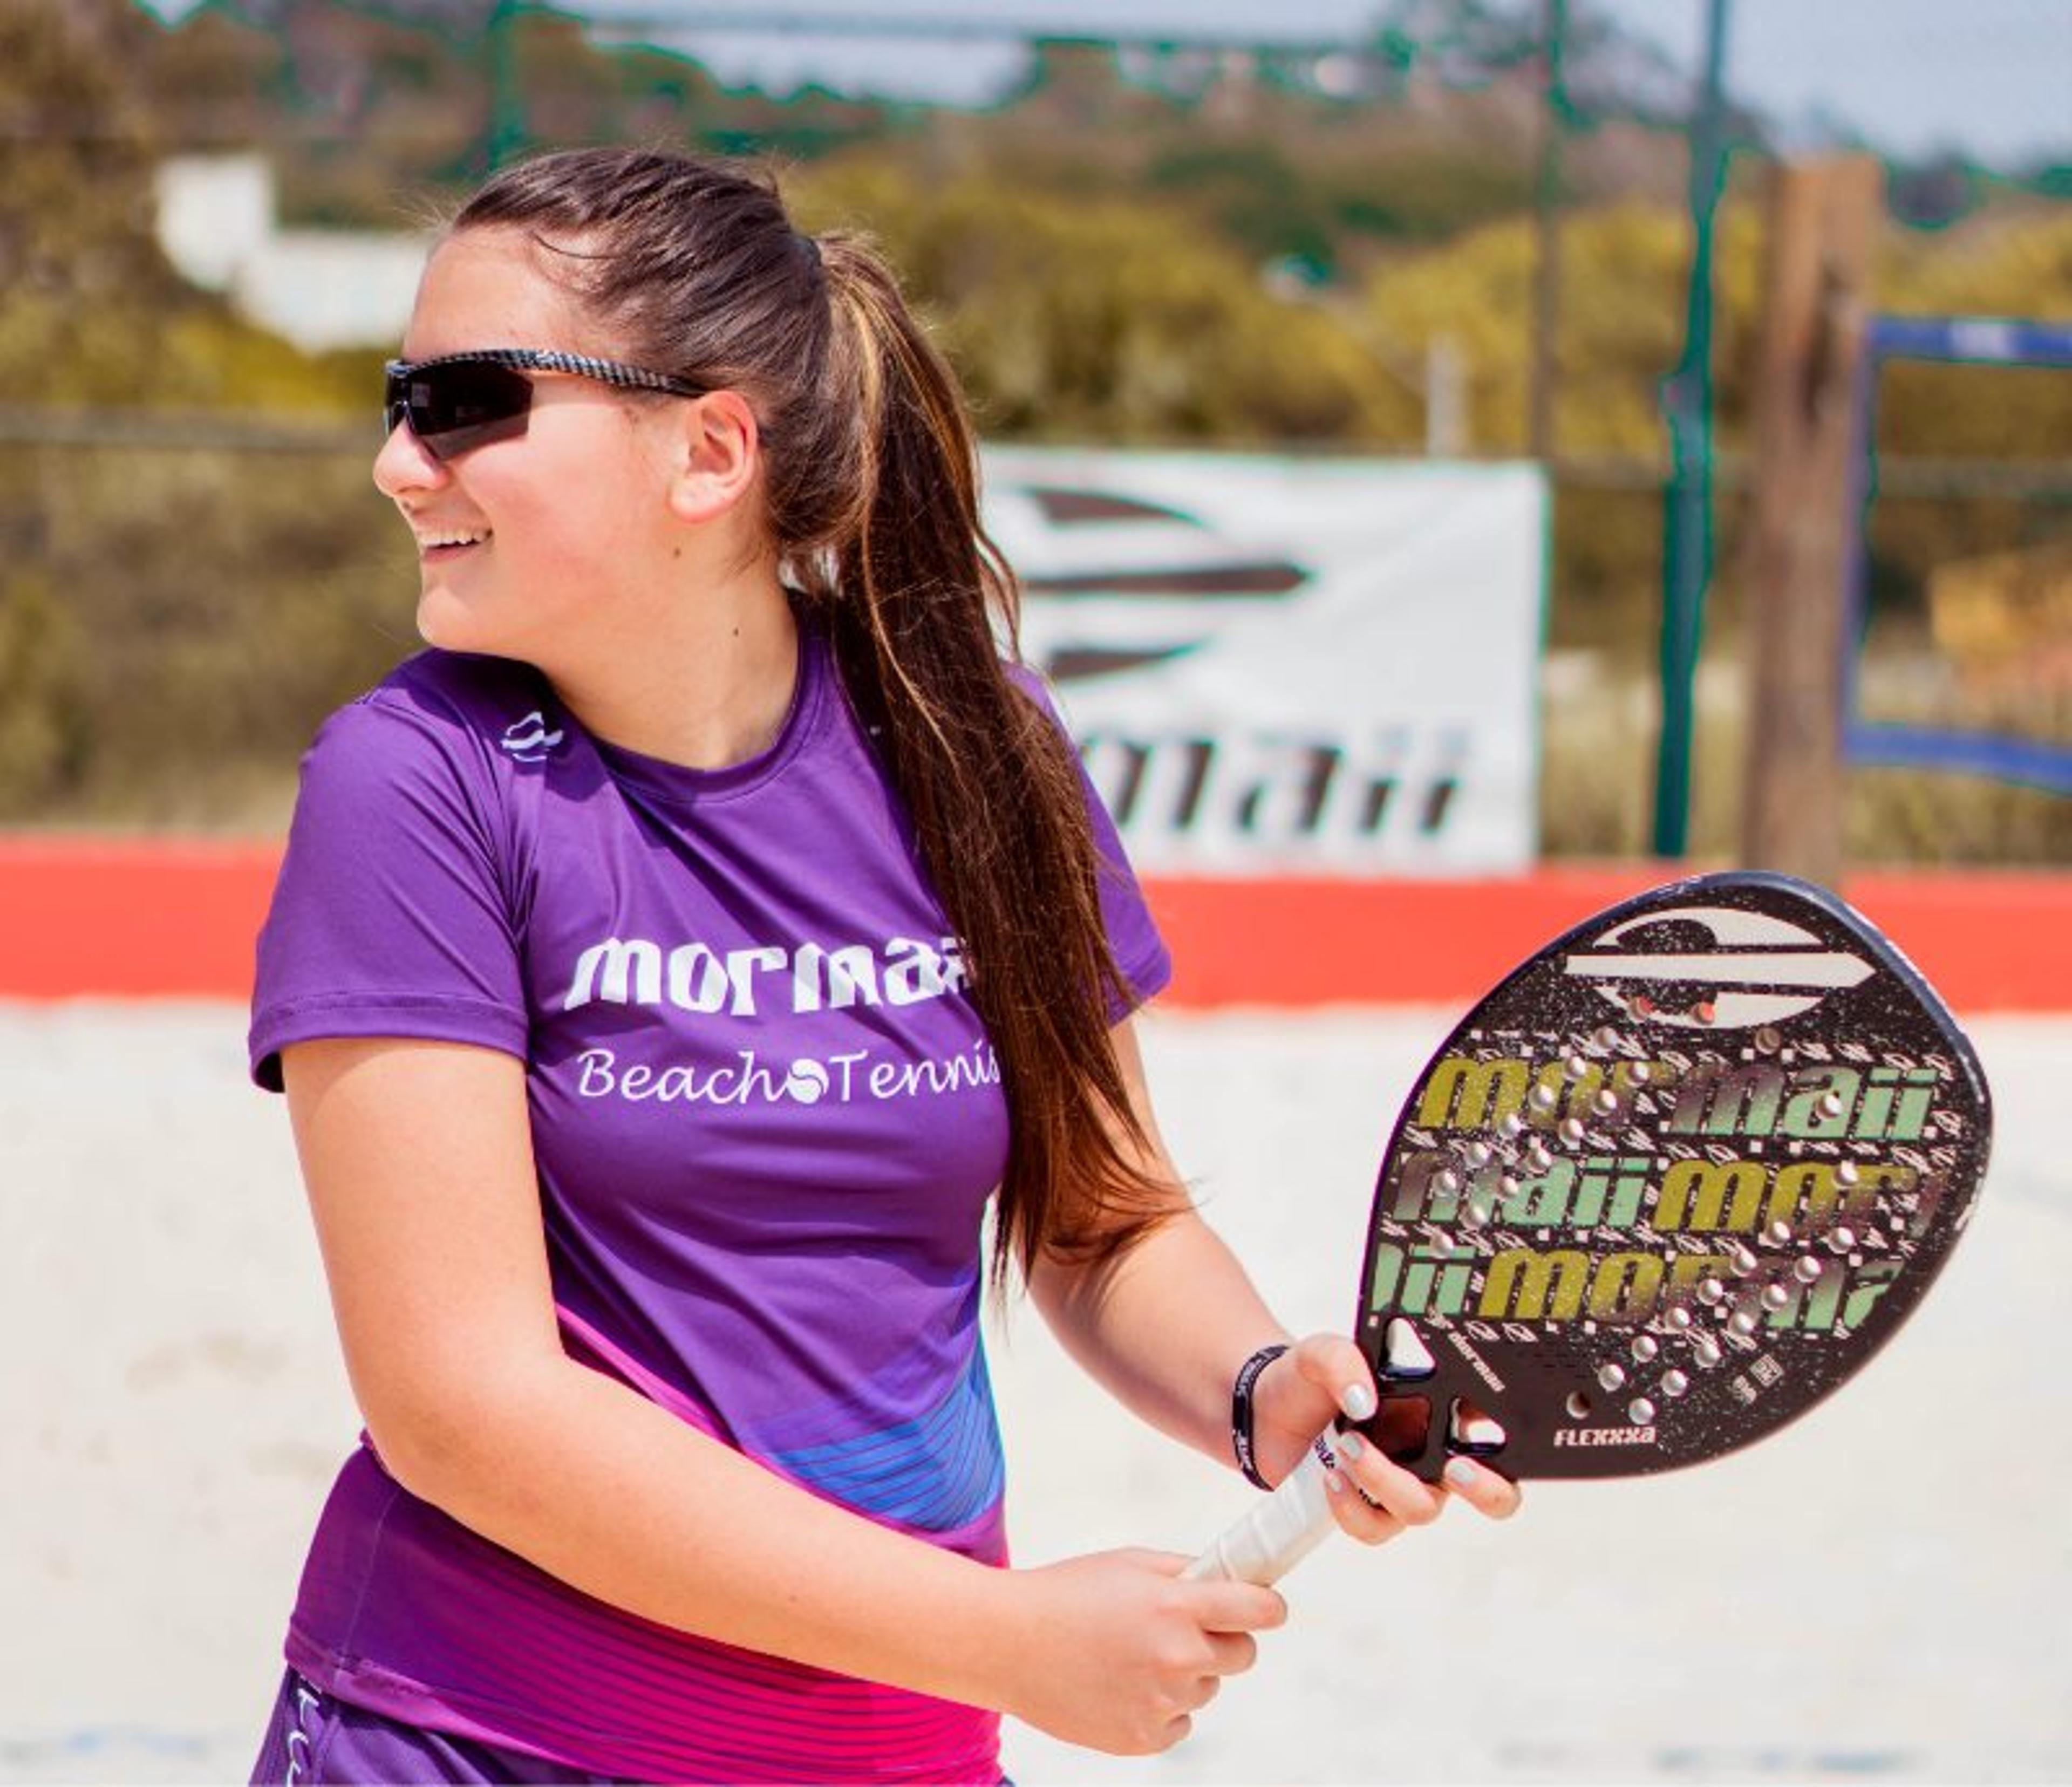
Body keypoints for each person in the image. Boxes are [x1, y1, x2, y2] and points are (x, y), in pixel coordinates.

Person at [245, 144, 1519, 1786]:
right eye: (397, 399)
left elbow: (1103, 1217)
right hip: (480, 1738)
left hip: (891, 1749)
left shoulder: (977, 748)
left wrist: (1265, 1387)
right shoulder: (412, 782)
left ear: (708, 451)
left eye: (467, 402)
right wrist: (1003, 1644)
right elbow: (464, 1411)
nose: (396, 463)